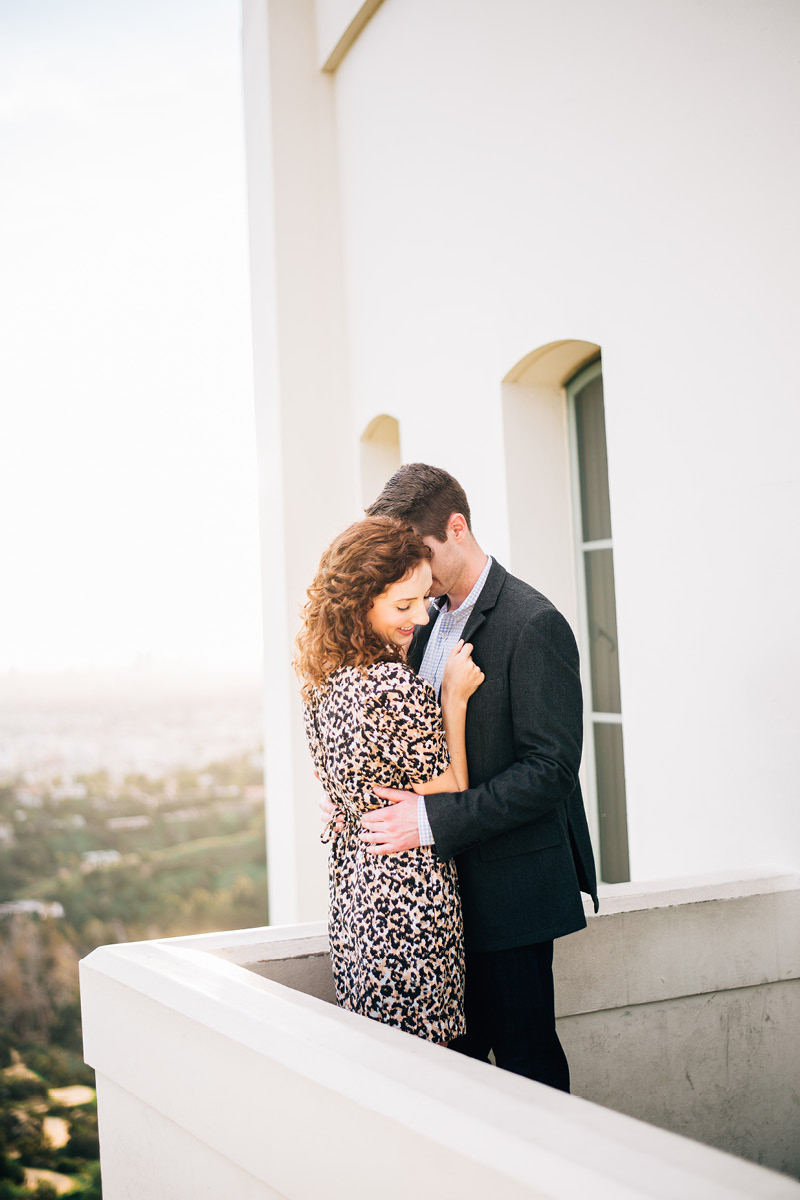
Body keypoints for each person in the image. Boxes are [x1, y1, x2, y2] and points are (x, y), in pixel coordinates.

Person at [355, 463, 599, 1092]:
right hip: (442, 904)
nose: (408, 572)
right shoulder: (424, 620)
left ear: (455, 528)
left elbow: (549, 772)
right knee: (456, 1081)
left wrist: (430, 820)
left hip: (513, 891)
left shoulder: (533, 622)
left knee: (528, 1069)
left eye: (418, 553)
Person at [294, 515, 484, 1043]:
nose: (421, 617)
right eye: (403, 606)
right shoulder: (388, 683)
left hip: (355, 902)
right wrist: (453, 699)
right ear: (359, 607)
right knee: (433, 1063)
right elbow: (453, 782)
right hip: (408, 904)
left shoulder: (322, 679)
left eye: (423, 599)